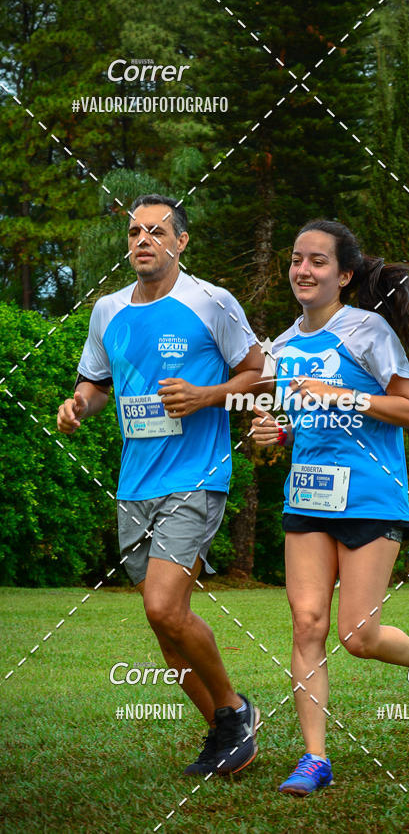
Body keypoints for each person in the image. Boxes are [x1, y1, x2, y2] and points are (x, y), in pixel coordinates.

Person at [57, 194, 264, 777]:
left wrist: (205, 395)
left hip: (195, 476)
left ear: (180, 242)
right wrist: (78, 405)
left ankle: (233, 712)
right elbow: (96, 384)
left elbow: (259, 374)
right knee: (164, 624)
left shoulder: (212, 302)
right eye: (134, 232)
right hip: (135, 485)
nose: (143, 240)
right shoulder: (107, 311)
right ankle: (227, 726)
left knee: (163, 606)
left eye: (156, 231)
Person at [251, 219, 409, 796]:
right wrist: (276, 434)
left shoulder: (368, 330)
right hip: (308, 495)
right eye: (296, 259)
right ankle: (314, 758)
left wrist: (343, 394)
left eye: (317, 261)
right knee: (307, 624)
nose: (303, 270)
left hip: (370, 495)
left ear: (343, 276)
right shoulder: (282, 346)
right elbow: (306, 422)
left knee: (358, 635)